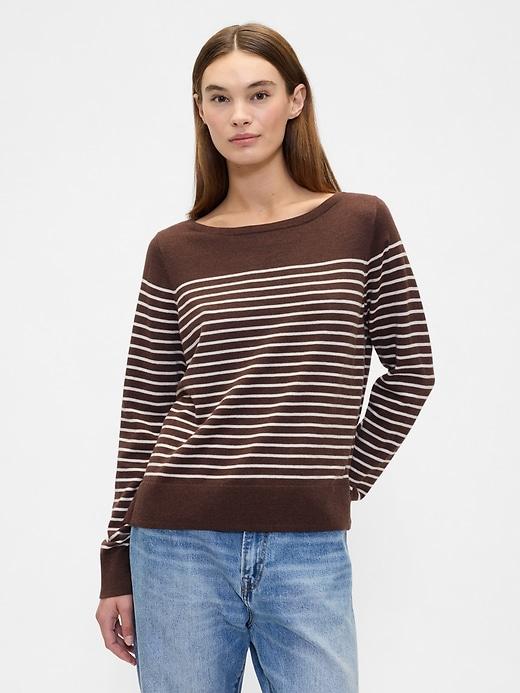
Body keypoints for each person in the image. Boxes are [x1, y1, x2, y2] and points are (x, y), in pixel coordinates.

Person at [95, 22, 435, 693]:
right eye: (219, 98)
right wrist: (115, 562)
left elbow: (413, 368)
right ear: (200, 111)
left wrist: (341, 480)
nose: (240, 115)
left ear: (296, 100)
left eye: (259, 94)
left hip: (308, 550)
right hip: (176, 543)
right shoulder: (174, 250)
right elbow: (145, 407)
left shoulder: (360, 223)